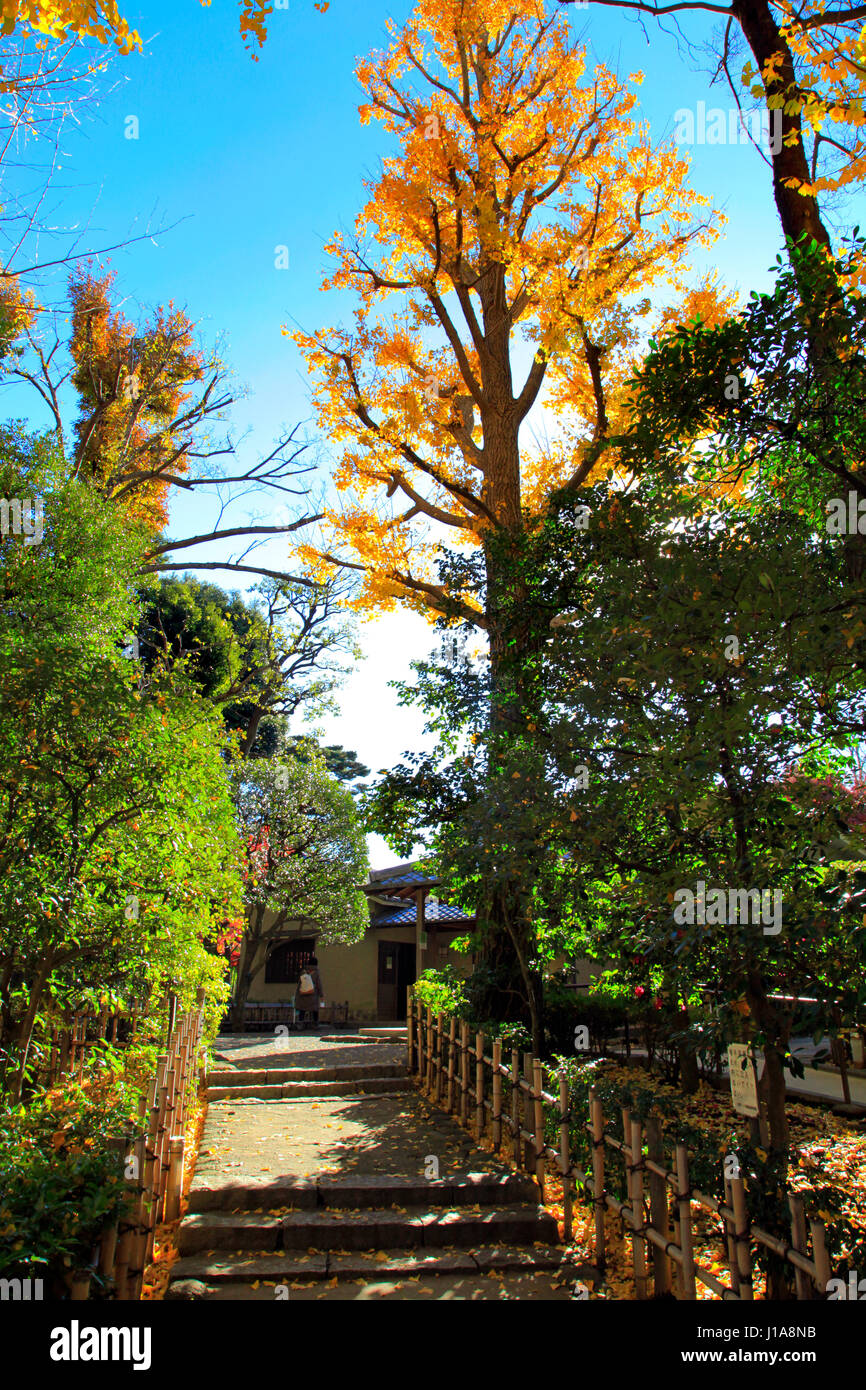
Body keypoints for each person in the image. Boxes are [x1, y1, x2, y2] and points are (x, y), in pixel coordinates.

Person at [294, 956, 323, 1030]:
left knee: (302, 1010)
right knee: (315, 1010)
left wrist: (298, 993)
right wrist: (321, 994)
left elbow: (300, 983)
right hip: (313, 995)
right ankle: (315, 1025)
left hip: (303, 995)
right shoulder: (316, 973)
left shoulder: (303, 972)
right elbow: (319, 984)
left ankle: (300, 1025)